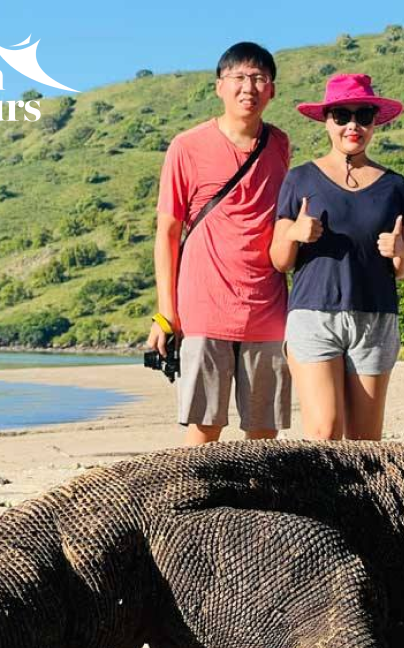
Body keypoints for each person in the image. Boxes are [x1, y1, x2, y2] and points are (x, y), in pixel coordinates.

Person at [148, 42, 292, 447]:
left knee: (264, 430)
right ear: (219, 86)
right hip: (204, 307)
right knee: (204, 426)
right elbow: (167, 233)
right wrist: (166, 313)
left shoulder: (280, 144)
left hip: (267, 307)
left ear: (272, 90)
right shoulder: (187, 146)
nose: (249, 87)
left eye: (259, 78)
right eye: (239, 77)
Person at [270, 73, 404, 442]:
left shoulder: (396, 186)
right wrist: (295, 234)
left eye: (363, 116)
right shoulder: (299, 179)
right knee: (325, 432)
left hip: (375, 316)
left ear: (374, 123)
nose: (353, 125)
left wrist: (399, 252)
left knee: (366, 441)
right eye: (342, 116)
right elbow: (279, 260)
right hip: (314, 315)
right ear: (326, 121)